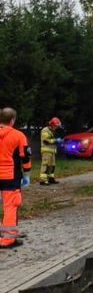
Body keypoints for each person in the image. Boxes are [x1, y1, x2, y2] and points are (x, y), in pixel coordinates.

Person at [0, 106, 31, 248]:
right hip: (10, 177)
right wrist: (27, 175)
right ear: (12, 120)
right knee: (10, 207)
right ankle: (8, 240)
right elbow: (25, 158)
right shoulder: (18, 136)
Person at [39, 116, 62, 184]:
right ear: (52, 124)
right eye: (56, 126)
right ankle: (43, 180)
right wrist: (56, 140)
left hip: (52, 151)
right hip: (46, 151)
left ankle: (50, 178)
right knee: (45, 165)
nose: (57, 127)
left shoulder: (52, 130)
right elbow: (46, 141)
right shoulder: (45, 130)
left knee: (52, 165)